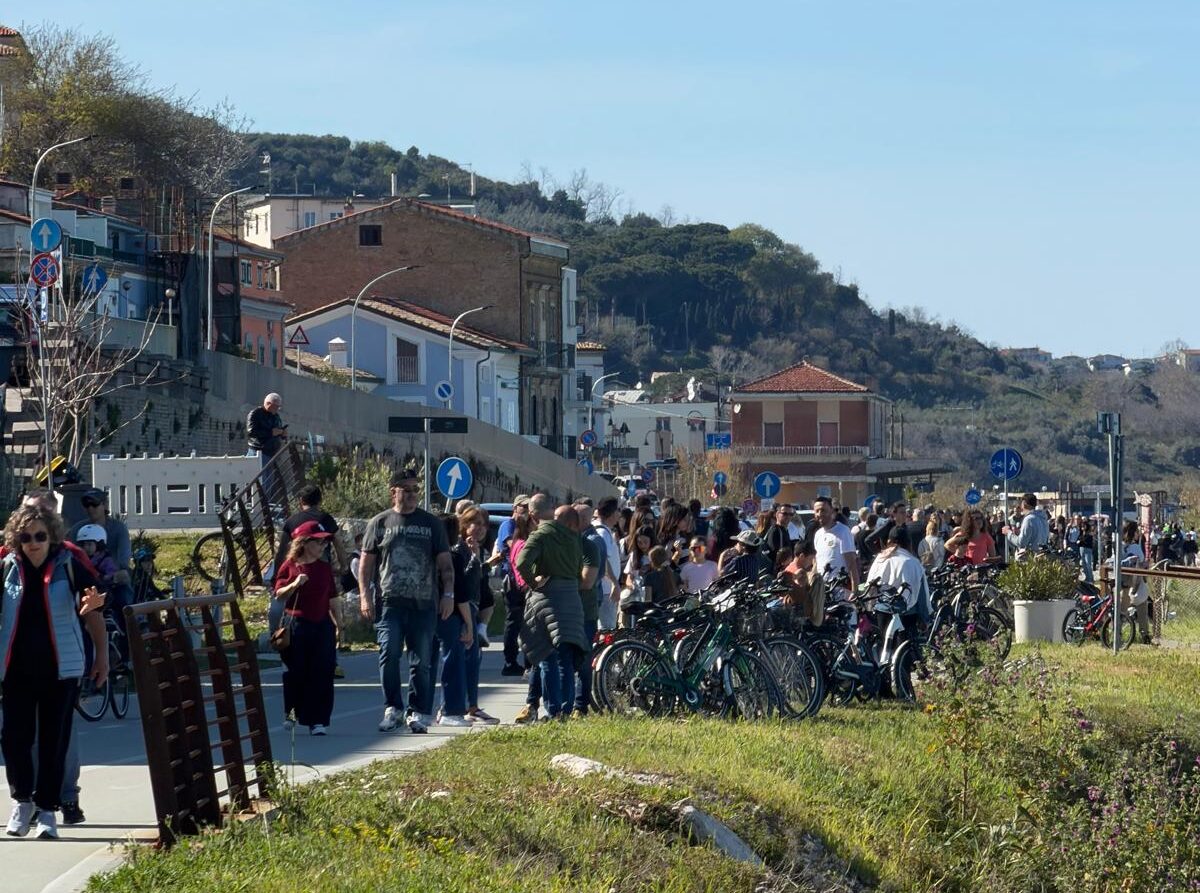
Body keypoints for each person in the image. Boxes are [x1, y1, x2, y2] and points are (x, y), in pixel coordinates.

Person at [3, 502, 107, 840]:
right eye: (25, 536)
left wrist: (102, 658)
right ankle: (22, 803)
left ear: (52, 537)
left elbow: (93, 612)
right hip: (16, 669)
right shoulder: (6, 568)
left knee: (54, 741)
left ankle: (47, 811)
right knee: (15, 740)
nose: (33, 542)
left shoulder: (69, 565)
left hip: (61, 670)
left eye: (39, 536)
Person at [358, 468, 454, 735]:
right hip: (390, 602)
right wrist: (365, 596)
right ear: (394, 492)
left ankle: (417, 712)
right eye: (407, 489)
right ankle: (393, 708)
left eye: (415, 489)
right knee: (388, 654)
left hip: (424, 603)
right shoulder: (379, 523)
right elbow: (366, 565)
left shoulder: (431, 524)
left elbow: (445, 565)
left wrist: (448, 595)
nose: (412, 494)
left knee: (421, 661)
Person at [516, 502, 588, 720]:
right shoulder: (576, 540)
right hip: (572, 601)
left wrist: (533, 582)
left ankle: (553, 708)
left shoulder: (542, 534)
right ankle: (566, 710)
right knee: (565, 659)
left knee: (547, 656)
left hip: (546, 599)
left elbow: (521, 562)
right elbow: (578, 572)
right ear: (574, 524)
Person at [273, 521, 338, 735]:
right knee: (296, 673)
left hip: (322, 625)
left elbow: (333, 597)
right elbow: (279, 594)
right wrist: (294, 584)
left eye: (324, 542)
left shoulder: (324, 567)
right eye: (319, 542)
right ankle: (292, 713)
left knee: (322, 672)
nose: (323, 546)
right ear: (305, 542)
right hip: (297, 626)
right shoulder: (290, 565)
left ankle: (318, 721)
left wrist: (340, 623)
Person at [436, 514, 481, 727]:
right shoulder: (453, 557)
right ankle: (451, 710)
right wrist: (470, 625)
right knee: (453, 662)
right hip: (450, 615)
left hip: (426, 613)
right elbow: (461, 595)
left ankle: (419, 711)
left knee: (425, 665)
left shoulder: (427, 555)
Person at [68, 488, 132, 608]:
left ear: (104, 505)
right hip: (85, 579)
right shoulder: (77, 529)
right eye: (87, 505)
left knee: (123, 597)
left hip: (112, 578)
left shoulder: (118, 528)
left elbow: (124, 557)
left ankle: (129, 622)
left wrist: (117, 572)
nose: (90, 508)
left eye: (94, 504)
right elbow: (70, 554)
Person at [498, 502, 535, 676]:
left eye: (528, 510)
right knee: (514, 622)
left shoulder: (525, 529)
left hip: (520, 580)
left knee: (525, 623)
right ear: (515, 510)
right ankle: (510, 661)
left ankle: (527, 661)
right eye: (523, 510)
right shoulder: (509, 525)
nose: (526, 513)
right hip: (513, 581)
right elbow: (515, 548)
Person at [866, 525, 930, 625]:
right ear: (908, 542)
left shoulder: (880, 558)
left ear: (889, 541)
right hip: (906, 613)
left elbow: (870, 586)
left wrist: (870, 609)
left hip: (882, 609)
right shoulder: (913, 562)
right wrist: (925, 619)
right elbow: (921, 594)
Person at [573, 503, 603, 715]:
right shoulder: (571, 542)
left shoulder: (592, 542)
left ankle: (580, 704)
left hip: (585, 607)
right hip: (572, 607)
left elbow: (590, 580)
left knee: (583, 659)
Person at [811, 496, 860, 590]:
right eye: (817, 511)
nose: (820, 514)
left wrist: (855, 591)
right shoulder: (818, 534)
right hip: (822, 588)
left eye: (823, 510)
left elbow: (851, 563)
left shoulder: (843, 531)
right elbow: (816, 562)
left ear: (832, 511)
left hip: (840, 588)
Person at [247, 393, 287, 503]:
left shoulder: (276, 417)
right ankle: (258, 505)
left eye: (278, 407)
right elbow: (251, 432)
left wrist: (282, 433)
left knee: (269, 482)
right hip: (259, 450)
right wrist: (271, 432)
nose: (277, 409)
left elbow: (276, 430)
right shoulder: (255, 414)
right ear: (268, 404)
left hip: (271, 453)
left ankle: (265, 505)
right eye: (275, 407)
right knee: (261, 482)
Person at [592, 497, 622, 630]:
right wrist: (615, 583)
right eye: (618, 510)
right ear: (613, 513)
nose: (620, 514)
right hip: (605, 590)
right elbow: (603, 561)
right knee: (606, 630)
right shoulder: (603, 533)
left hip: (603, 589)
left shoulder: (598, 529)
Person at [1007, 493, 1050, 559]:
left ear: (1024, 503)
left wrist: (1008, 533)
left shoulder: (1029, 519)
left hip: (1030, 560)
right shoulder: (1043, 518)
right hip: (1041, 557)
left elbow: (1021, 542)